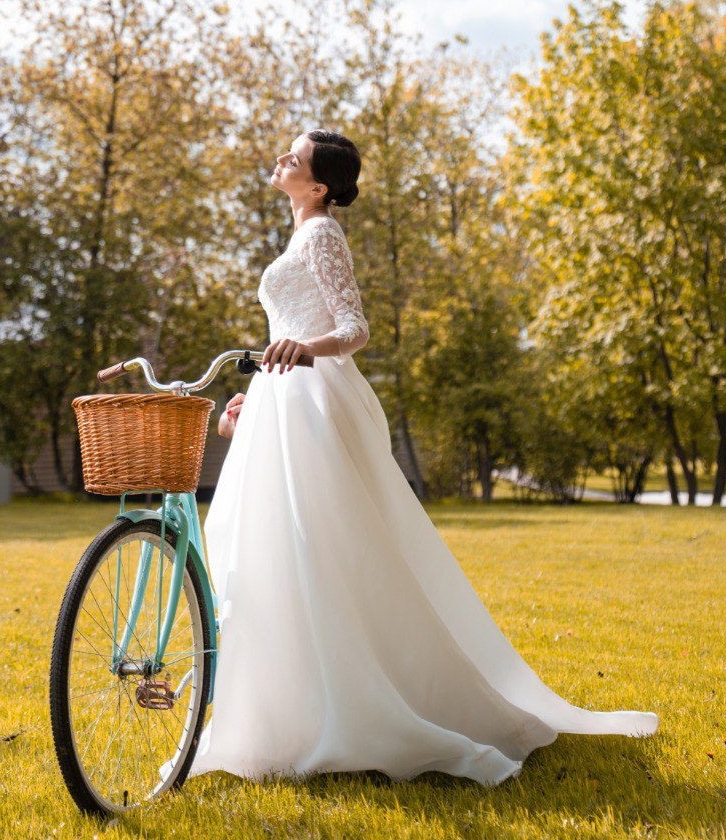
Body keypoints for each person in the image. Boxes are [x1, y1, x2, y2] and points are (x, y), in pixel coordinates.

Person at [187, 128, 659, 785]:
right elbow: (288, 331)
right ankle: (288, 708)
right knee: (282, 549)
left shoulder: (321, 232)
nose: (280, 159)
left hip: (313, 401)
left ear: (318, 187)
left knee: (317, 551)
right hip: (284, 399)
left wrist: (301, 352)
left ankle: (351, 704)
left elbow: (353, 329)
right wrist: (257, 397)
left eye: (293, 158)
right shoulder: (301, 234)